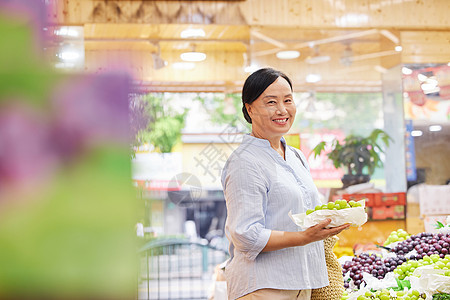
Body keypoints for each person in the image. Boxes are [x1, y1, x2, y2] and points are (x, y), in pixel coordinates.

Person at [221, 68, 350, 300]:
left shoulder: (296, 156)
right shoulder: (244, 162)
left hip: (303, 284)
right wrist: (303, 237)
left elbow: (306, 213)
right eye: (271, 102)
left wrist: (334, 218)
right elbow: (245, 234)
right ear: (249, 108)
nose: (282, 110)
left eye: (288, 100)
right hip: (263, 289)